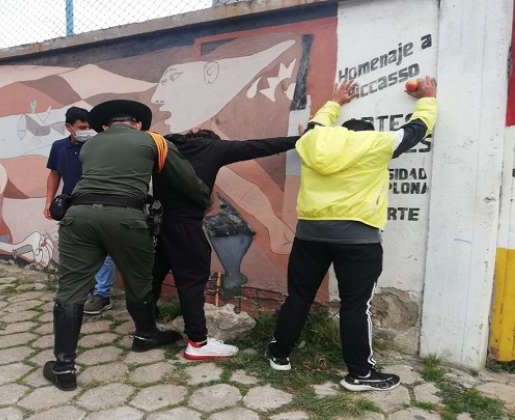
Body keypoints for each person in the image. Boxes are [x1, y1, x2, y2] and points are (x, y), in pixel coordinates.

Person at [267, 77, 438, 392]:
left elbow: (317, 124)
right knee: (354, 305)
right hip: (357, 240)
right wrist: (427, 99)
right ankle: (360, 374)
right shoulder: (376, 144)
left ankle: (279, 353)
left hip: (309, 235)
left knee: (299, 296)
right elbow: (415, 130)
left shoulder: (313, 140)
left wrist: (335, 100)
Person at [44, 99, 211, 391]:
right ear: (136, 123)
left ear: (105, 126)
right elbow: (187, 180)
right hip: (126, 218)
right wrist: (204, 199)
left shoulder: (90, 145)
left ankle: (64, 367)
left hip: (78, 217)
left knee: (70, 289)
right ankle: (145, 335)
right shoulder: (153, 141)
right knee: (139, 282)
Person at [152, 129, 299, 360]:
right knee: (192, 281)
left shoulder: (165, 145)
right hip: (186, 227)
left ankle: (145, 329)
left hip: (157, 223)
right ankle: (197, 343)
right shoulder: (212, 149)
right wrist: (302, 138)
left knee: (153, 273)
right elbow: (261, 144)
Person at [44, 107, 116, 315]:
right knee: (76, 250)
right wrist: (49, 201)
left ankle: (102, 295)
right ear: (69, 127)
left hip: (99, 204)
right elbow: (54, 174)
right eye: (82, 127)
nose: (87, 131)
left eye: (90, 127)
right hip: (71, 206)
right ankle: (85, 289)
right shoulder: (59, 147)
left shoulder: (100, 145)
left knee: (103, 250)